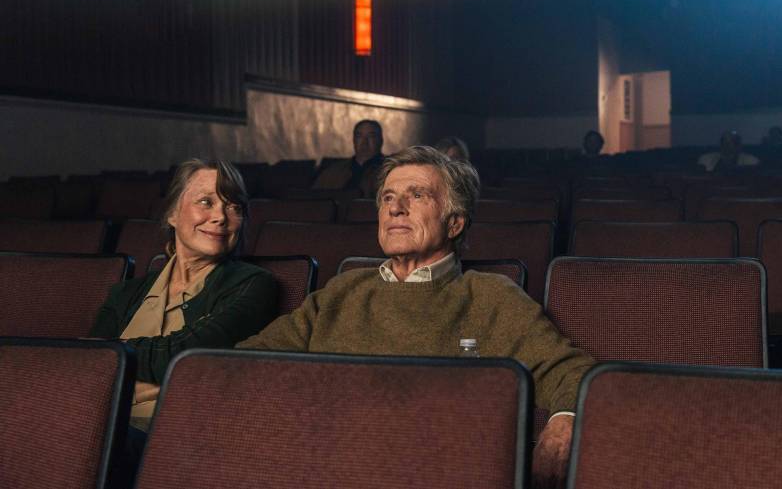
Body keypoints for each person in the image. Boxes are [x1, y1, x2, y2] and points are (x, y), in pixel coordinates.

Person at [238, 146, 594, 489]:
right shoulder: (342, 290)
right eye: (388, 198)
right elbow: (245, 363)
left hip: (433, 471)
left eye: (417, 195)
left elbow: (572, 373)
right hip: (328, 464)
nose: (396, 208)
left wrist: (565, 422)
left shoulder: (492, 297)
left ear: (454, 223)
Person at [89, 159, 280, 431]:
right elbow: (89, 363)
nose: (221, 217)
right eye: (205, 202)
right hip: (97, 423)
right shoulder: (125, 292)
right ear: (173, 213)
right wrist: (155, 382)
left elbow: (184, 356)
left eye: (234, 207)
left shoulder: (254, 285)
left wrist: (119, 373)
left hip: (176, 431)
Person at [312, 119, 385, 196]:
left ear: (381, 140)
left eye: (371, 136)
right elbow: (313, 197)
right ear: (354, 140)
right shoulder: (333, 172)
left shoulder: (388, 170)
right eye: (359, 136)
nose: (364, 142)